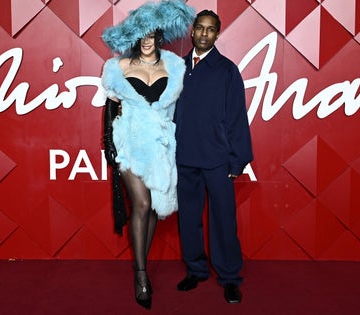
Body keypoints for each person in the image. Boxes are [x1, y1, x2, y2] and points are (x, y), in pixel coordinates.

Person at [100, 0, 194, 310]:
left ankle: (141, 259)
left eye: (152, 34)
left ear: (159, 35)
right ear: (135, 37)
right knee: (140, 203)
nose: (147, 40)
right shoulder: (118, 67)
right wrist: (111, 148)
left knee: (153, 207)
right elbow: (111, 108)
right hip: (128, 142)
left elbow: (178, 110)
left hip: (160, 146)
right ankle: (141, 275)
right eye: (142, 35)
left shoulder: (175, 67)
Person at [174, 10, 253, 304]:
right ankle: (195, 269)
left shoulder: (227, 70)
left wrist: (238, 159)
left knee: (223, 221)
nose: (205, 34)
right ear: (192, 31)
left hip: (219, 159)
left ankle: (230, 277)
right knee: (189, 219)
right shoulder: (177, 68)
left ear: (217, 34)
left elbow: (236, 118)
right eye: (200, 28)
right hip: (184, 157)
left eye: (211, 30)